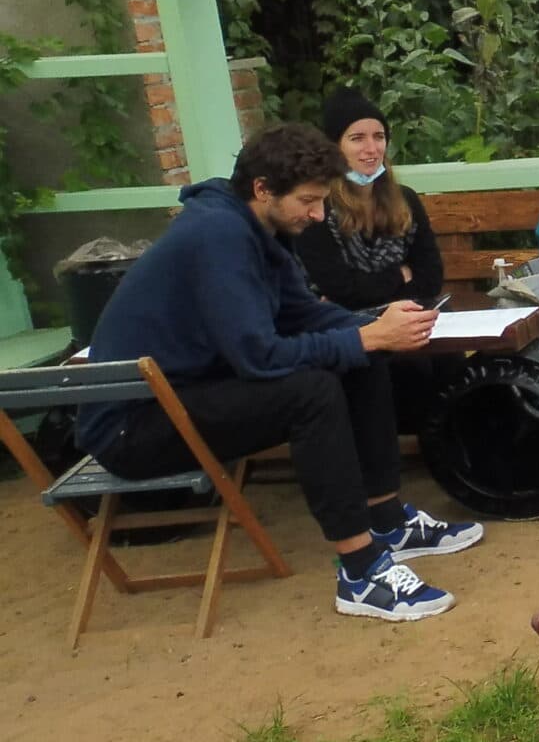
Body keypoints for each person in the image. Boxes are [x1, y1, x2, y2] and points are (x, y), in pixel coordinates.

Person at [76, 123, 483, 623]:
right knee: (311, 391)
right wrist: (363, 336)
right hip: (134, 424)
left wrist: (374, 328)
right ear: (263, 189)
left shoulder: (260, 228)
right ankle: (360, 573)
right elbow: (259, 357)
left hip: (189, 392)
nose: (317, 216)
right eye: (309, 202)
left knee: (362, 355)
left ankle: (387, 520)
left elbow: (300, 314)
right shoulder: (217, 236)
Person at [294, 88, 447, 429]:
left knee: (449, 358)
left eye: (378, 137)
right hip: (347, 327)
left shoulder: (404, 199)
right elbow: (339, 287)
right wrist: (401, 276)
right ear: (336, 147)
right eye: (357, 138)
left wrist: (380, 288)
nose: (371, 148)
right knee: (406, 364)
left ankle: (450, 448)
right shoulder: (320, 207)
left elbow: (431, 276)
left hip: (410, 315)